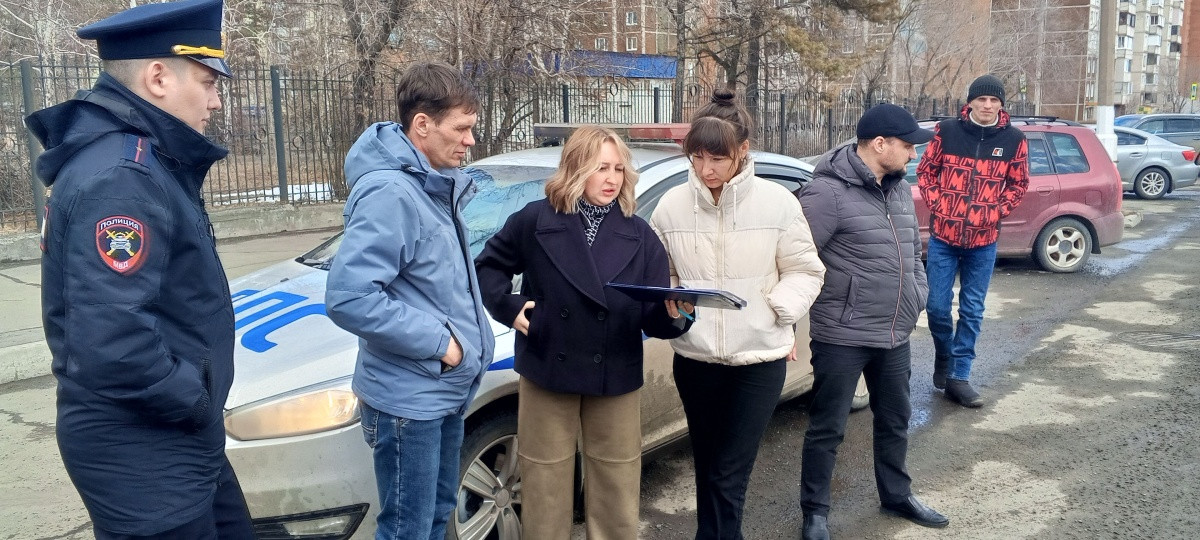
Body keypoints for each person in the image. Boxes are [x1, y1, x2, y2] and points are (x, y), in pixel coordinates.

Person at [25, 0, 254, 538]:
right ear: (158, 77)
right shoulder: (122, 177)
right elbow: (112, 340)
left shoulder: (139, 160)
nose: (216, 100)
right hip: (144, 451)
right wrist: (194, 399)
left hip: (171, 437)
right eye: (208, 82)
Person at [475, 125, 694, 538]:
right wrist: (510, 308)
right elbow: (488, 267)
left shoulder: (640, 234)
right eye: (600, 168)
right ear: (576, 168)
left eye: (618, 169)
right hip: (547, 363)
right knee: (544, 482)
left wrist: (676, 312)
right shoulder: (535, 220)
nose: (612, 179)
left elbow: (653, 316)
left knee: (616, 483)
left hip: (614, 369)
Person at [324, 62, 495, 539]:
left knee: (435, 519)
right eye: (461, 129)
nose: (470, 141)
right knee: (408, 530)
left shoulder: (431, 184)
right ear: (422, 124)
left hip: (440, 391)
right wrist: (443, 344)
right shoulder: (392, 191)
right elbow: (350, 298)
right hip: (409, 401)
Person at [649, 89, 826, 540]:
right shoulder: (671, 206)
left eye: (717, 159)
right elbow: (663, 273)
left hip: (758, 361)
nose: (705, 169)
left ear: (742, 151)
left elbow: (806, 270)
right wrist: (674, 300)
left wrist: (778, 312)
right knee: (708, 465)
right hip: (696, 359)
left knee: (730, 472)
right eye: (697, 157)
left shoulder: (777, 203)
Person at [796, 103, 947, 540]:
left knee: (896, 418)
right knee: (828, 427)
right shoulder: (826, 193)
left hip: (894, 331)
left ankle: (897, 495)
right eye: (908, 146)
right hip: (842, 334)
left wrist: (917, 294)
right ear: (879, 144)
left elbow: (912, 251)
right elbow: (796, 259)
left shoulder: (898, 189)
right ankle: (815, 513)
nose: (914, 154)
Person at [916, 74, 1029, 407]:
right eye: (982, 99)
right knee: (937, 307)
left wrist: (995, 211)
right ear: (971, 102)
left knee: (972, 310)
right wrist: (940, 205)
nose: (987, 105)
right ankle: (944, 354)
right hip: (944, 237)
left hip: (984, 241)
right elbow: (926, 171)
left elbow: (1019, 184)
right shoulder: (947, 131)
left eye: (994, 100)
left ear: (1001, 105)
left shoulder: (1014, 140)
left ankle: (959, 376)